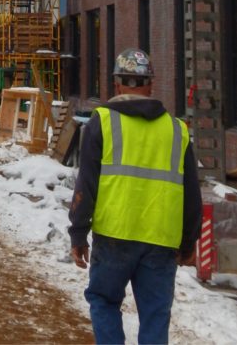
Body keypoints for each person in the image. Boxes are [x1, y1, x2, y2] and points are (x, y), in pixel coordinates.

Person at [68, 48, 202, 345]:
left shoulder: (101, 122)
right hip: (161, 241)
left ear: (117, 85)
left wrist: (78, 233)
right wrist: (188, 242)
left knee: (103, 300)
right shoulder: (177, 130)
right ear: (151, 84)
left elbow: (86, 185)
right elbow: (192, 194)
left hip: (114, 236)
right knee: (155, 315)